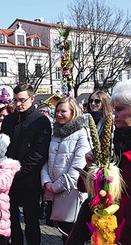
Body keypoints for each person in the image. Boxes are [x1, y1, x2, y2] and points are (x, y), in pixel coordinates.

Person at [67, 80, 131, 245]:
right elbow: (84, 188)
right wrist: (90, 167)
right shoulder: (109, 142)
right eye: (113, 108)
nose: (114, 113)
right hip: (99, 227)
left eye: (120, 109)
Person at [0, 83, 52, 245]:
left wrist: (18, 171)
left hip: (29, 179)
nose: (18, 104)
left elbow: (39, 153)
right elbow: (2, 146)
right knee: (12, 220)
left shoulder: (41, 120)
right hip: (9, 178)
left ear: (32, 98)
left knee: (31, 220)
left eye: (22, 100)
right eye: (15, 100)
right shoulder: (9, 120)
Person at [40, 97, 90, 244]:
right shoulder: (55, 133)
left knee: (73, 235)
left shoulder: (81, 133)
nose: (59, 114)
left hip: (72, 193)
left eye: (63, 111)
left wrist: (55, 187)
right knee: (63, 234)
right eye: (57, 111)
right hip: (55, 193)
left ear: (73, 112)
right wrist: (46, 182)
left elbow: (78, 167)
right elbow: (46, 160)